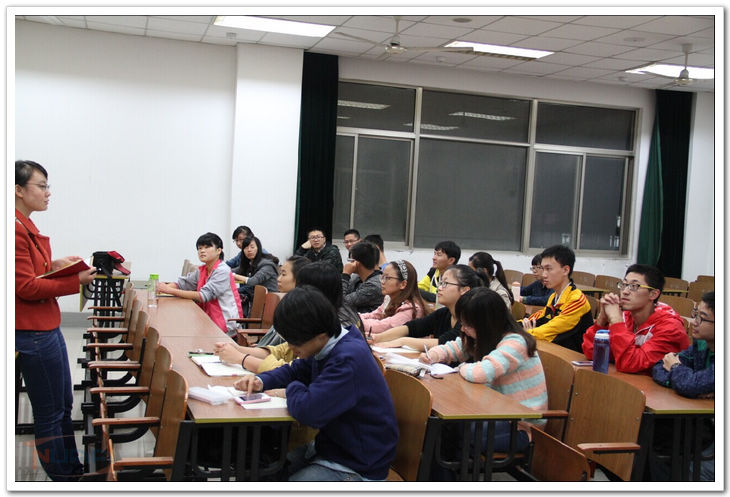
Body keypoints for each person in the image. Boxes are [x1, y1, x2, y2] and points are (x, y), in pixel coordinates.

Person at [234, 286, 398, 481]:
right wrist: (261, 381)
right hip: (333, 448)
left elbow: (308, 411)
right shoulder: (329, 343)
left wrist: (290, 390)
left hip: (357, 464)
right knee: (263, 472)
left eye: (295, 343)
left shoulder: (348, 359)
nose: (292, 349)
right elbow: (295, 370)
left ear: (319, 335)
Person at [15, 160, 97, 481]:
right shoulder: (13, 230)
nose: (48, 193)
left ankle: (72, 470)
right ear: (18, 190)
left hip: (46, 327)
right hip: (32, 332)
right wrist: (75, 281)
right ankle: (63, 478)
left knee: (62, 404)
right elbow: (25, 286)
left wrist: (55, 264)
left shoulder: (24, 227)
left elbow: (32, 272)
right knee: (50, 412)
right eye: (41, 186)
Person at [420, 287, 547, 453]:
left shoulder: (516, 343)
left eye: (468, 324)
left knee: (452, 431)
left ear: (486, 323)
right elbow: (454, 348)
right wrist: (432, 355)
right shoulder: (484, 336)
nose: (463, 329)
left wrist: (461, 367)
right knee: (442, 427)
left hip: (519, 426)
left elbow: (481, 373)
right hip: (492, 412)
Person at [215, 257, 363, 372]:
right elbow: (283, 351)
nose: (299, 292)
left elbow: (295, 371)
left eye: (301, 287)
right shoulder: (310, 316)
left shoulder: (334, 330)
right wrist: (237, 350)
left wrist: (242, 358)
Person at [651, 291, 714, 481]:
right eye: (695, 314)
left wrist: (678, 370)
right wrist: (684, 381)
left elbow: (688, 383)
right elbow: (659, 367)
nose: (694, 322)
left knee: (695, 470)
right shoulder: (701, 344)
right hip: (702, 422)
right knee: (650, 443)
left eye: (702, 318)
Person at [582, 264, 689, 374]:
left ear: (653, 294)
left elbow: (629, 363)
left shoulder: (670, 329)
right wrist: (602, 319)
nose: (625, 291)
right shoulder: (626, 316)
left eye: (634, 286)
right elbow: (592, 353)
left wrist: (616, 320)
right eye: (624, 284)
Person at [373, 264, 486, 349]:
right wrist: (377, 338)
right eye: (440, 283)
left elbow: (444, 343)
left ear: (464, 290)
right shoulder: (444, 313)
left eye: (445, 284)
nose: (439, 288)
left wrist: (403, 341)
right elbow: (412, 327)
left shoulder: (470, 319)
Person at [157, 232, 243, 337]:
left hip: (225, 326)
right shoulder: (203, 269)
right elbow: (183, 284)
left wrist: (168, 290)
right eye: (199, 248)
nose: (202, 251)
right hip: (206, 319)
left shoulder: (222, 271)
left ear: (218, 251)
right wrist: (161, 289)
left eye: (207, 247)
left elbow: (203, 296)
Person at [522, 245, 593, 352]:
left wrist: (526, 333)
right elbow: (539, 319)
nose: (544, 275)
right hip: (557, 352)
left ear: (565, 270)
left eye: (548, 269)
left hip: (574, 357)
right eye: (543, 269)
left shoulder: (577, 300)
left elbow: (551, 330)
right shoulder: (554, 297)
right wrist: (514, 326)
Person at [360, 259, 429, 335]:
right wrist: (356, 317)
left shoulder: (411, 309)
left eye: (387, 278)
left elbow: (384, 326)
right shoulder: (389, 298)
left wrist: (356, 321)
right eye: (382, 277)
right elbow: (374, 315)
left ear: (403, 284)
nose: (382, 282)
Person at [341, 241, 383, 313]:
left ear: (357, 262)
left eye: (350, 260)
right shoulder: (357, 277)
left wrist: (345, 275)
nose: (349, 263)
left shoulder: (374, 285)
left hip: (365, 319)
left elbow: (341, 303)